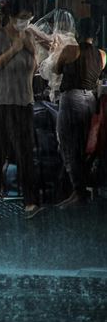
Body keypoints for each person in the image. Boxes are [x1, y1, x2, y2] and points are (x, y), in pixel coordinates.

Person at [0, 0, 43, 219]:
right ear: (11, 16)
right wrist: (13, 49)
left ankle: (31, 203)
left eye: (29, 17)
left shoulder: (29, 37)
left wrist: (31, 49)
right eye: (22, 17)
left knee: (26, 152)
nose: (25, 22)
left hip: (23, 101)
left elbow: (34, 68)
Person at [54, 18, 107, 209]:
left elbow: (56, 68)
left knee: (69, 145)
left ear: (77, 32)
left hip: (72, 99)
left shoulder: (71, 50)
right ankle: (81, 190)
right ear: (97, 32)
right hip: (90, 101)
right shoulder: (102, 54)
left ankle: (78, 192)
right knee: (87, 146)